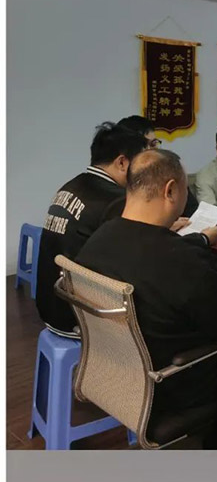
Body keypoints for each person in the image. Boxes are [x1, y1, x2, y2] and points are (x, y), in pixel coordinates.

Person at [77, 148, 217, 449]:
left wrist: (195, 242)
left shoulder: (99, 240)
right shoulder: (181, 264)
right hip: (174, 384)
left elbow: (154, 257)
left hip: (120, 375)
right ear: (171, 190)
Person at [36, 122, 148, 335]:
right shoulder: (116, 200)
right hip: (84, 318)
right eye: (142, 164)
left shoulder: (71, 186)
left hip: (51, 308)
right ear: (122, 162)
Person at [119, 114, 198, 216]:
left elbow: (193, 211)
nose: (149, 151)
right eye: (143, 145)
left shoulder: (171, 173)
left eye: (153, 144)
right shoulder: (122, 180)